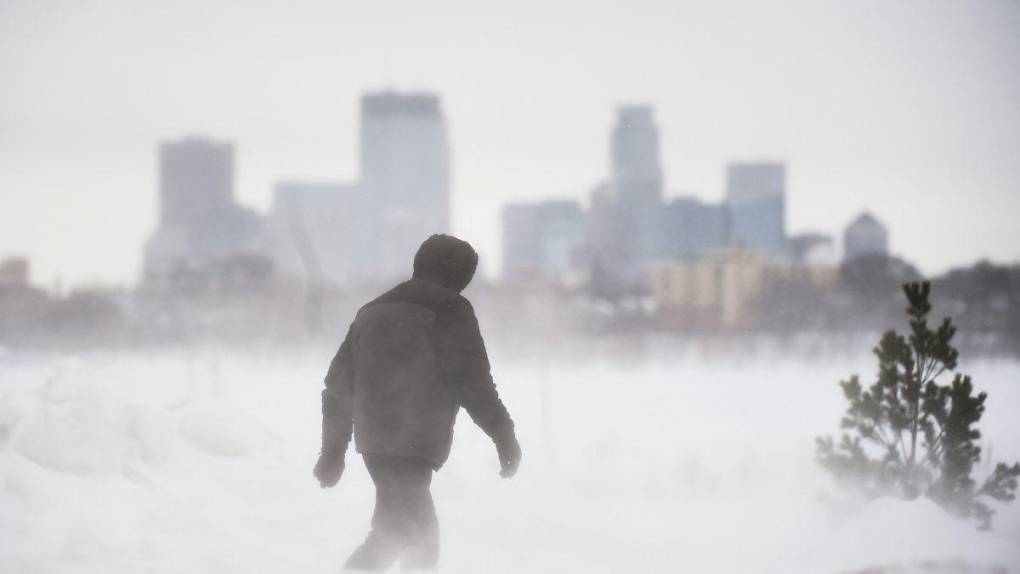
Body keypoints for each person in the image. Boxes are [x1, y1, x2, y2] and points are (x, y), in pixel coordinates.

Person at [313, 234, 522, 571]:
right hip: (414, 442)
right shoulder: (451, 309)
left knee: (407, 534)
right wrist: (504, 435)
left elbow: (338, 386)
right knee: (405, 535)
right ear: (459, 274)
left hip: (375, 443)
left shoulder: (371, 310)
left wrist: (332, 452)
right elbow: (474, 383)